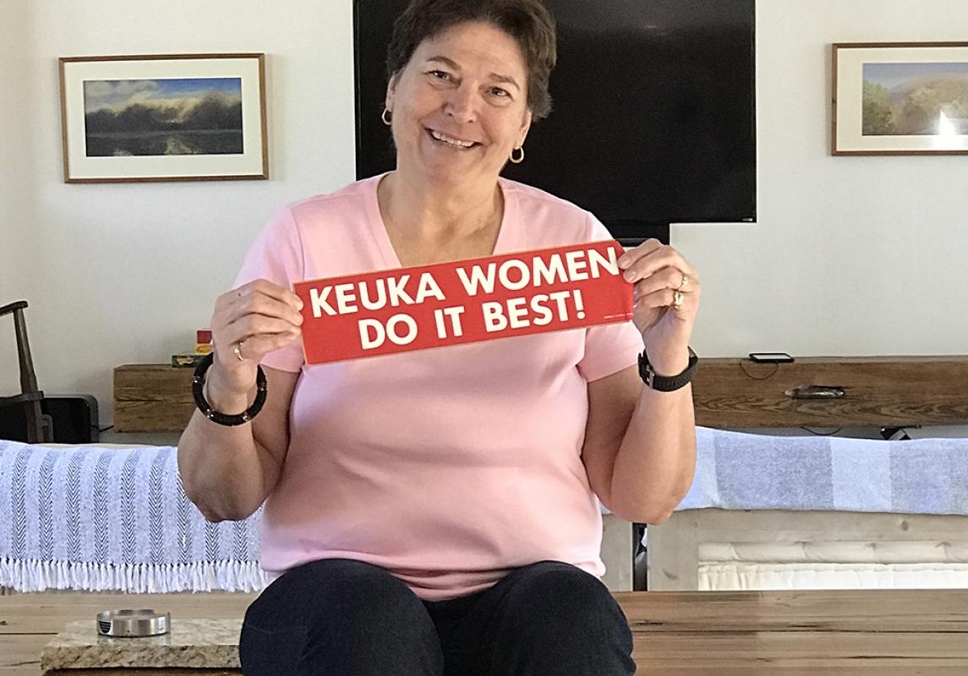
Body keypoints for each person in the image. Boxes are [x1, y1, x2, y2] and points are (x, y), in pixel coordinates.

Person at [177, 0, 700, 673]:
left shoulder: (573, 241)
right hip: (337, 599)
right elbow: (224, 499)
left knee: (570, 613)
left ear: (521, 126)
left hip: (531, 595)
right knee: (367, 621)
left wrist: (666, 358)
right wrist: (229, 376)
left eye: (496, 91)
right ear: (392, 90)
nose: (462, 109)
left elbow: (642, 500)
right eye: (441, 76)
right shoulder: (306, 237)